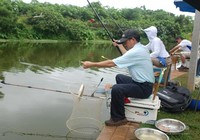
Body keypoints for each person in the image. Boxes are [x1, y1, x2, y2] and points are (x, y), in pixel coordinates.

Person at [82, 29, 155, 126]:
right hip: (142, 83)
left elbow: (111, 63)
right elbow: (127, 55)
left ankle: (119, 119)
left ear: (132, 40)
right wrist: (120, 45)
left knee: (117, 89)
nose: (125, 44)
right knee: (119, 77)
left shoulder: (136, 52)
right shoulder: (141, 48)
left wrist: (92, 64)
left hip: (144, 88)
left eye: (125, 42)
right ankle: (122, 100)